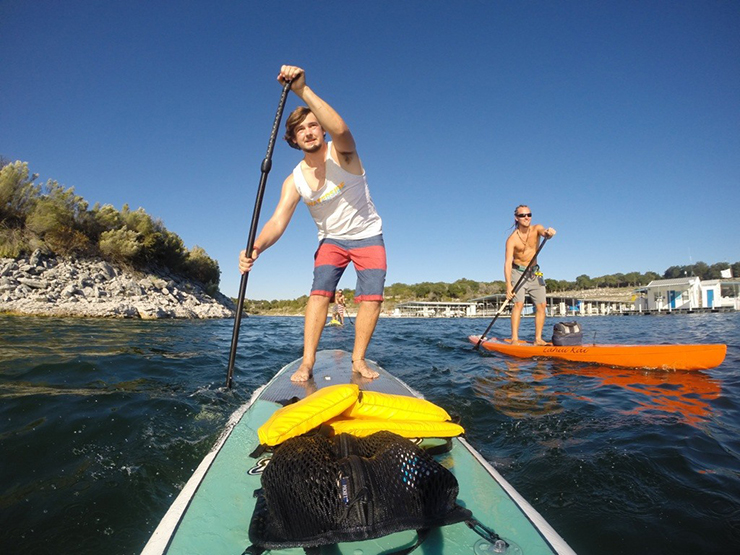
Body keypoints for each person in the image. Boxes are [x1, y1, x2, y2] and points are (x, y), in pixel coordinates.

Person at [239, 65, 384, 382]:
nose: (309, 131)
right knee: (319, 294)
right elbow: (278, 220)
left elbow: (343, 130)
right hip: (331, 239)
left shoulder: (343, 154)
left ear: (322, 130)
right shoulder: (294, 180)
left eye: (314, 125)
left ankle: (358, 361)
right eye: (301, 129)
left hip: (368, 235)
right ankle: (307, 363)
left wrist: (302, 90)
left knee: (371, 298)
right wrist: (256, 247)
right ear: (292, 138)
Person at [504, 205, 556, 345]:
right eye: (522, 215)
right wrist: (508, 286)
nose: (526, 217)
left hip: (534, 273)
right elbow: (508, 263)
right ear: (516, 218)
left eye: (529, 214)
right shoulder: (512, 239)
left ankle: (538, 339)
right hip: (517, 272)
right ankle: (515, 338)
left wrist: (549, 233)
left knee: (542, 305)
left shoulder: (537, 228)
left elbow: (545, 233)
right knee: (518, 304)